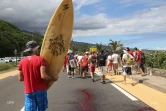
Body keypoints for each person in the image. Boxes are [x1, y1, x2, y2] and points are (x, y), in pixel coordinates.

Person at [18, 41, 58, 111]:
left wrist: (29, 77)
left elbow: (20, 78)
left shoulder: (22, 61)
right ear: (36, 50)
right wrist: (53, 78)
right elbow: (43, 76)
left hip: (28, 91)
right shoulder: (40, 59)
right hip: (40, 90)